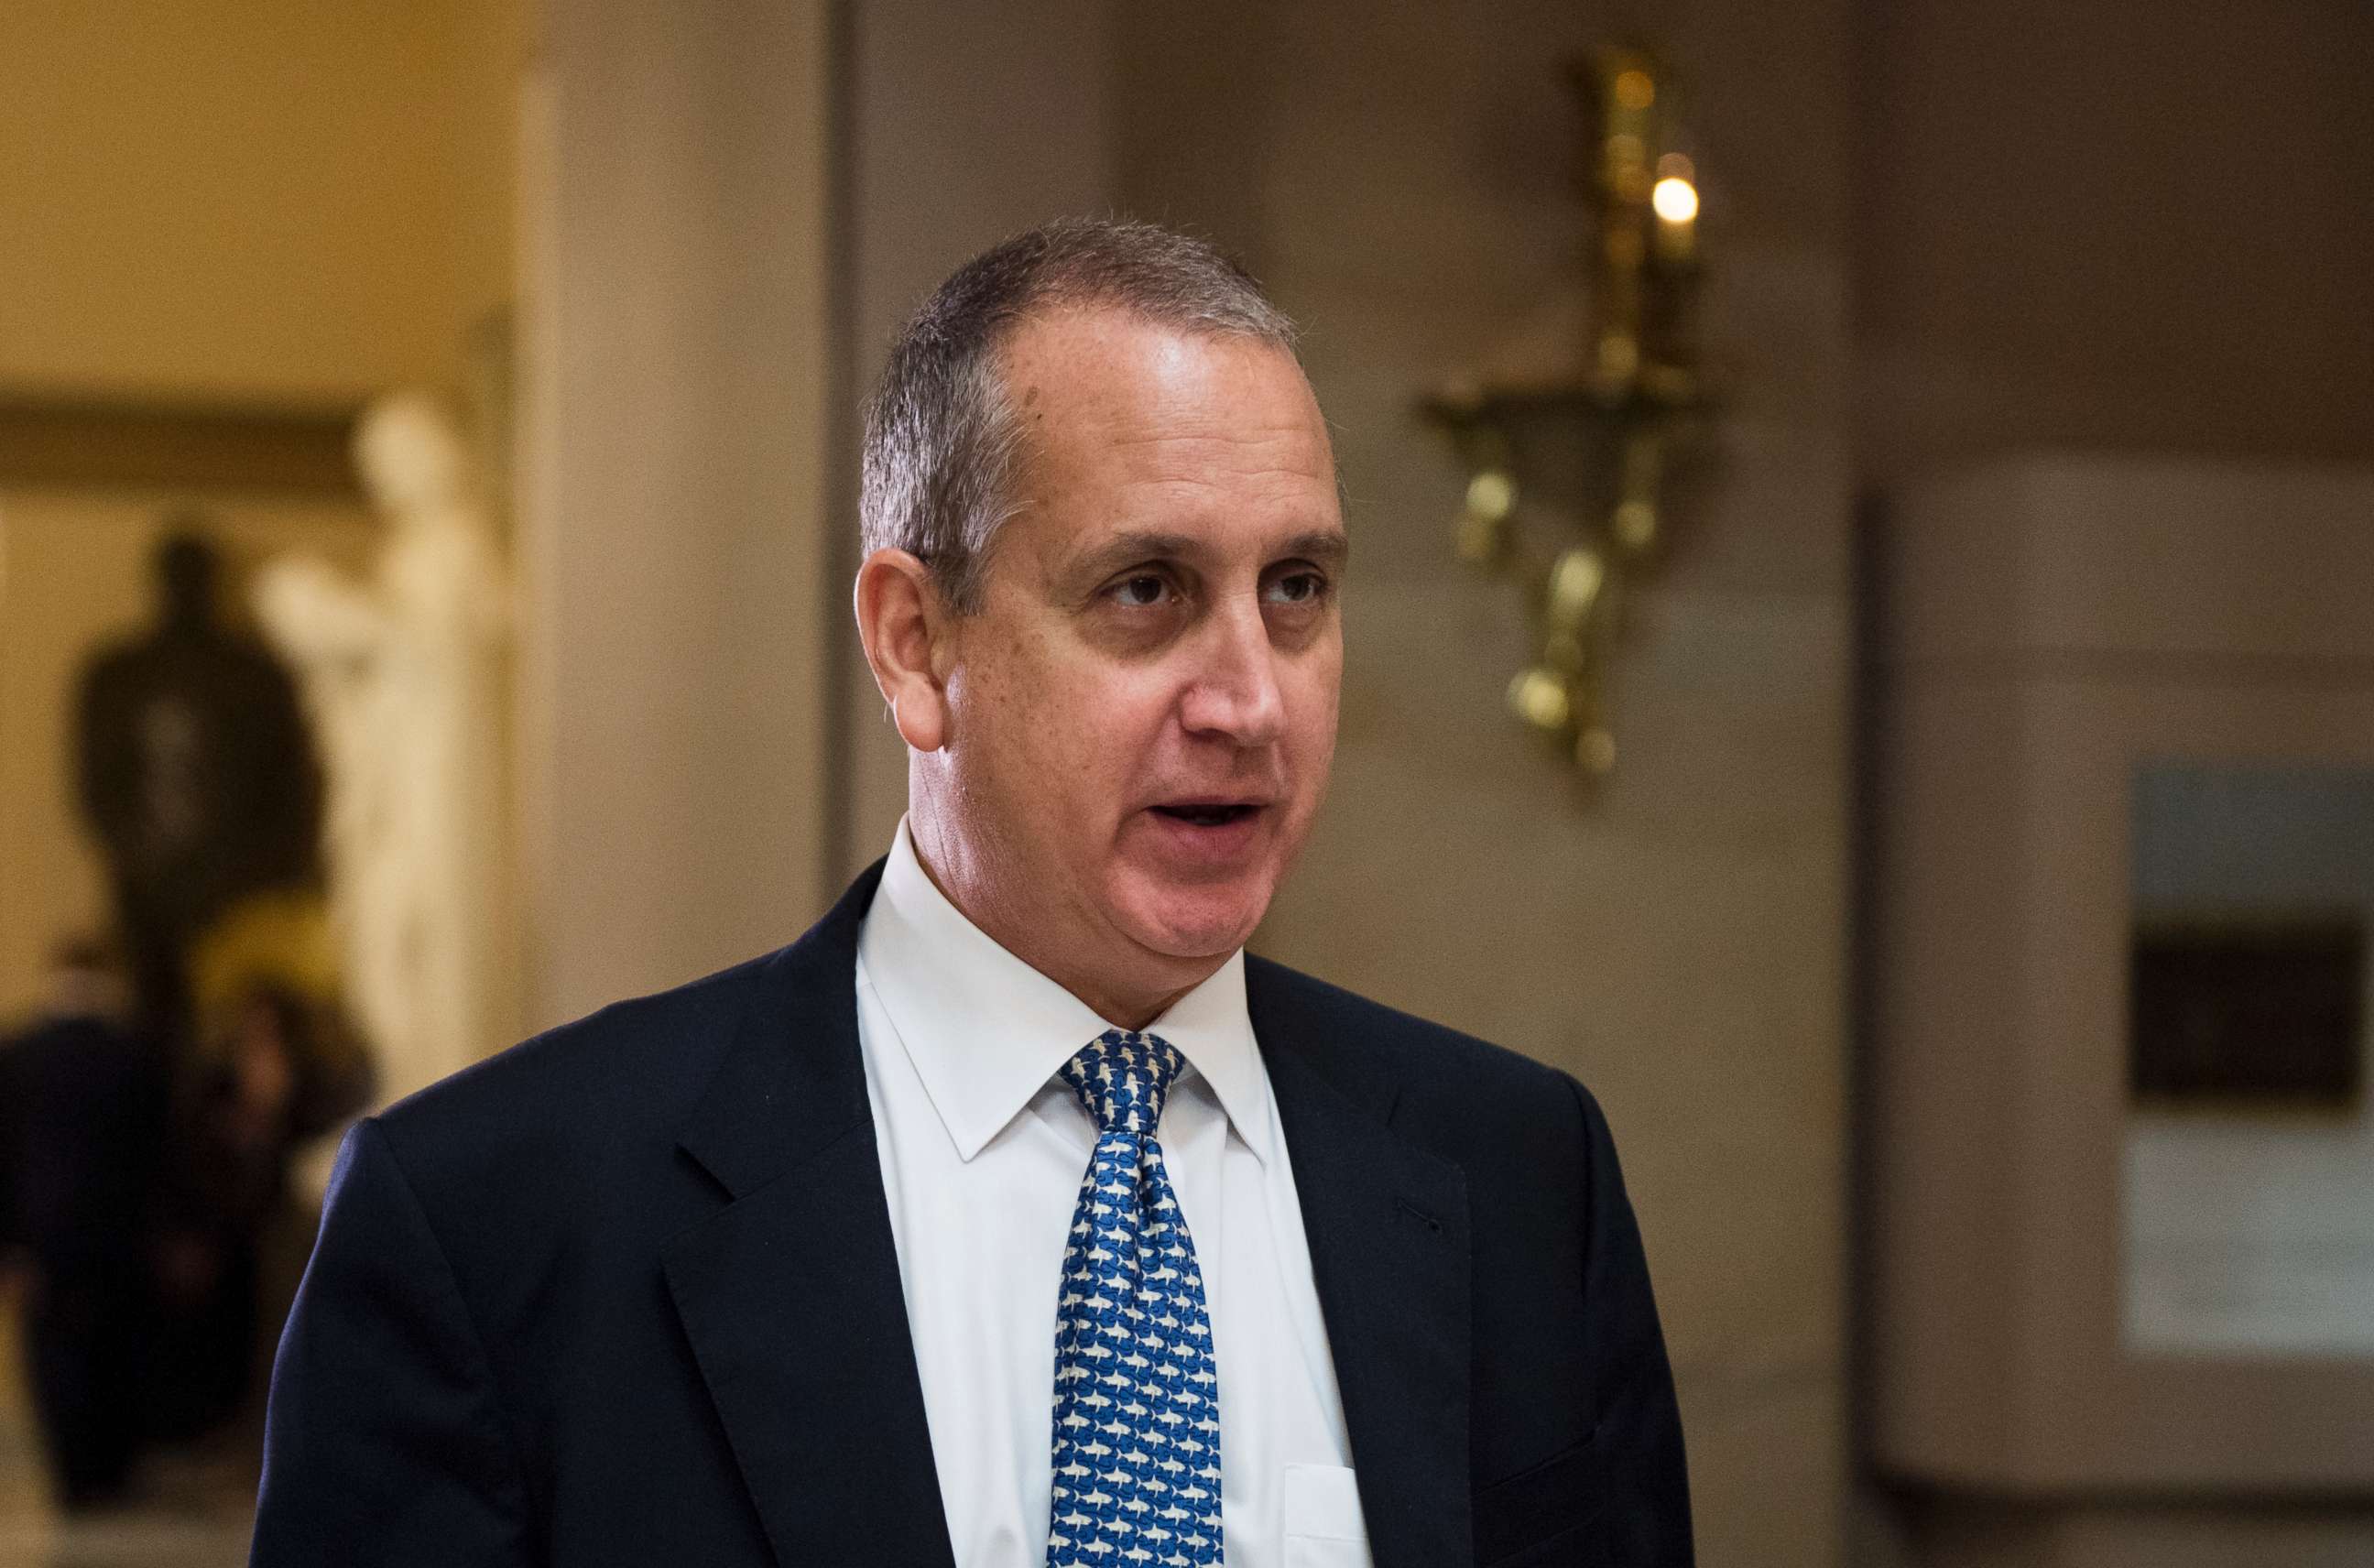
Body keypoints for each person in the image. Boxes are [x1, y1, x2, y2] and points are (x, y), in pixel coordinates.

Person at [250, 218, 1692, 1567]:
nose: (1253, 699)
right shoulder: (490, 1226)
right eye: (1148, 590)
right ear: (914, 643)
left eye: (1298, 588)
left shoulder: (1518, 1178)